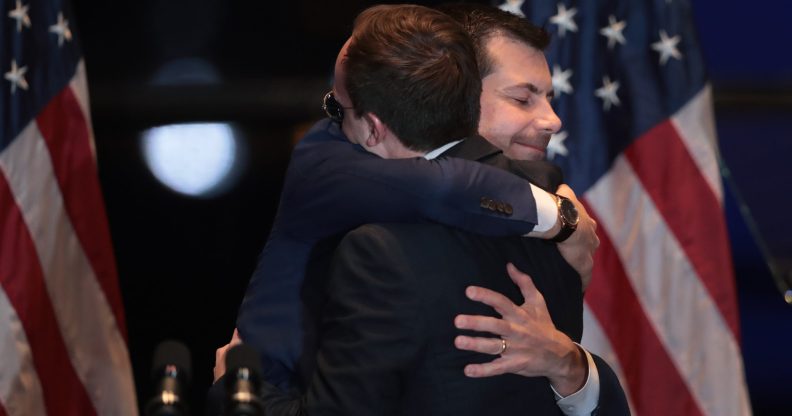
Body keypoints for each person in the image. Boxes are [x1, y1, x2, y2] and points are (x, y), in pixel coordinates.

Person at [215, 4, 628, 416]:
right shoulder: (549, 199)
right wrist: (562, 220)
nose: (552, 120)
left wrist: (237, 396)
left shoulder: (379, 247)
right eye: (522, 98)